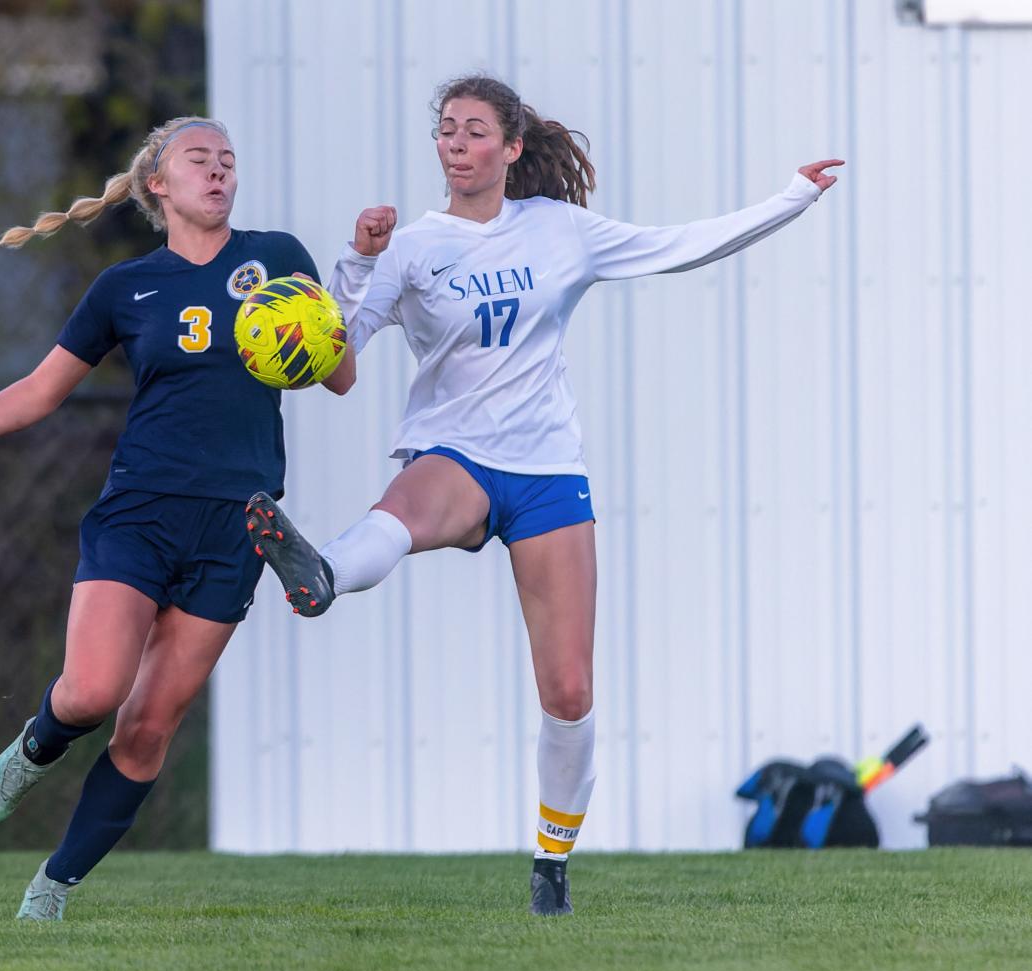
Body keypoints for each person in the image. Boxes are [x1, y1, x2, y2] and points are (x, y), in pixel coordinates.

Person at [245, 74, 843, 916]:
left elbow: (682, 245)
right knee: (401, 513)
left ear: (512, 147)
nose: (456, 145)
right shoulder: (414, 246)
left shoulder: (561, 230)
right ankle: (322, 574)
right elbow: (337, 369)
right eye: (446, 131)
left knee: (567, 690)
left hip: (548, 470)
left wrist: (790, 198)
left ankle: (551, 866)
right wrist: (357, 262)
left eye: (474, 131)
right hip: (455, 451)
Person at [0, 115, 393, 920]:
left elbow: (337, 373)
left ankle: (52, 889)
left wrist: (358, 269)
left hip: (240, 524)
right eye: (199, 161)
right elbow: (40, 388)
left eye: (229, 162)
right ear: (157, 186)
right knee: (94, 691)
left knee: (146, 729)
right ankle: (39, 743)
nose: (219, 173)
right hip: (140, 510)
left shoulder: (275, 258)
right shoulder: (124, 288)